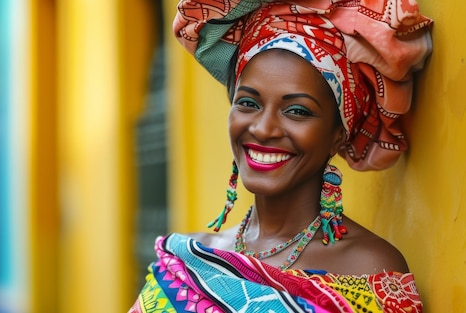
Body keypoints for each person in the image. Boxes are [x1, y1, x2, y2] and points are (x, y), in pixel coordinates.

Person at [130, 0, 432, 312]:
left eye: (297, 110)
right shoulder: (184, 263)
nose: (263, 129)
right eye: (248, 103)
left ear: (337, 134)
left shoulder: (370, 270)